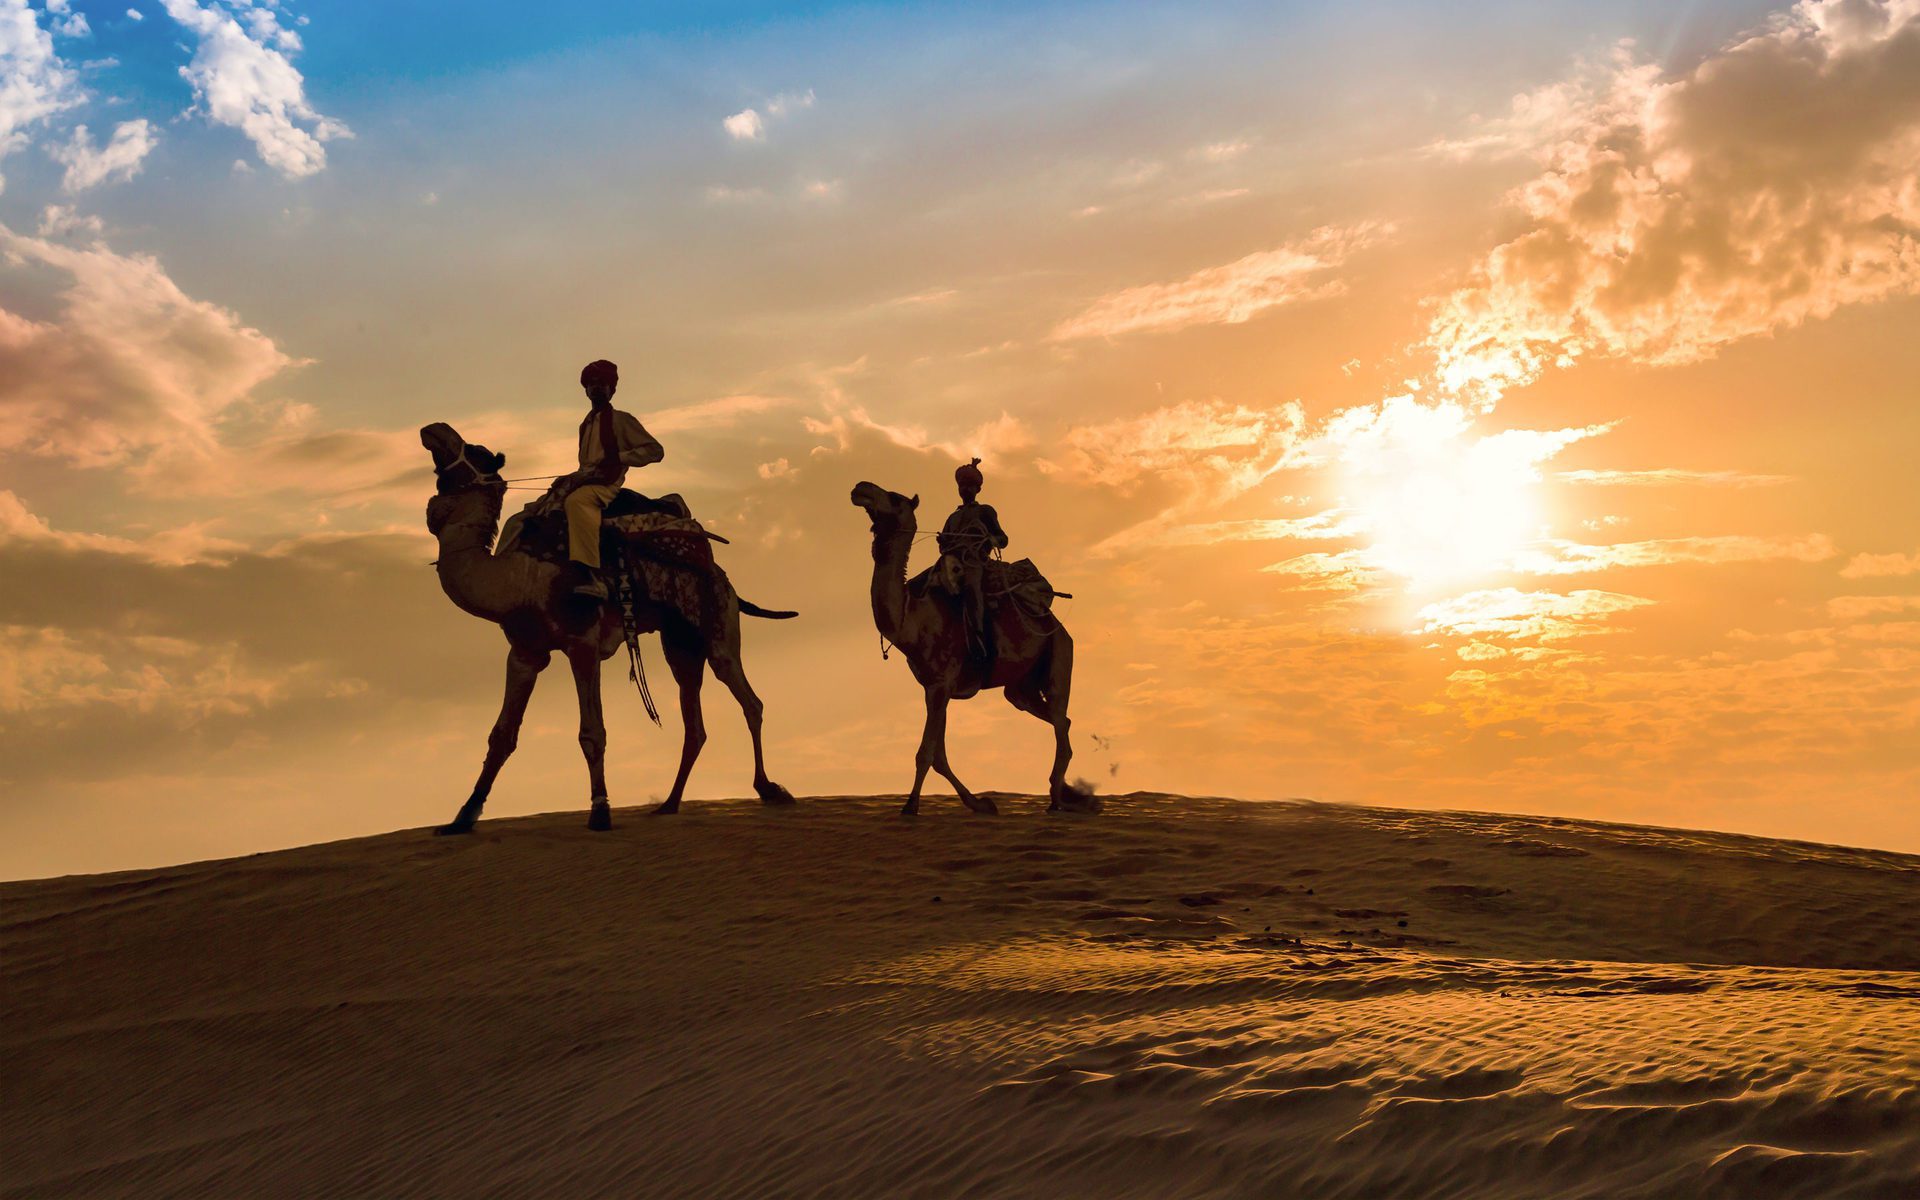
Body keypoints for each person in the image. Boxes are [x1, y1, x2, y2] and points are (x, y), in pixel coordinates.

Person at [562, 359, 664, 600]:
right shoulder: (585, 425)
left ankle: (592, 576)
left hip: (606, 484)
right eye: (592, 384)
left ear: (612, 389)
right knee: (545, 506)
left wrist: (617, 457)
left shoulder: (621, 420)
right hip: (588, 478)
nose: (597, 388)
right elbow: (586, 464)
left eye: (602, 384)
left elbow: (655, 450)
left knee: (577, 502)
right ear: (586, 390)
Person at [937, 457, 1008, 665]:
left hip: (975, 562)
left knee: (971, 587)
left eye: (969, 486)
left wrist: (987, 539)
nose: (964, 489)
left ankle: (977, 637)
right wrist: (943, 542)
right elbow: (944, 547)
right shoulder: (952, 518)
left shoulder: (985, 511)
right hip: (950, 564)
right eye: (961, 486)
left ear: (977, 489)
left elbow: (1002, 540)